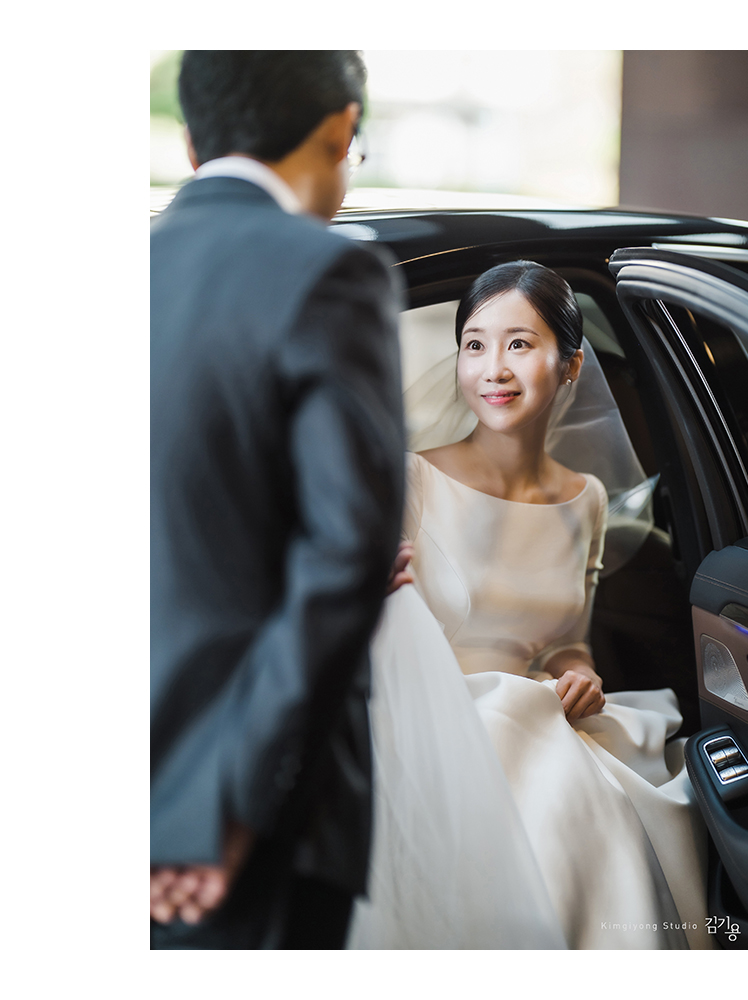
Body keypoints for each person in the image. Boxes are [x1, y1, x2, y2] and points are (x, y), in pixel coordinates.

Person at [347, 261, 713, 950]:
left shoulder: (587, 500)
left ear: (570, 366)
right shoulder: (408, 480)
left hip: (541, 721)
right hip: (428, 726)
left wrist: (582, 675)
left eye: (519, 344)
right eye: (475, 345)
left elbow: (565, 642)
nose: (494, 369)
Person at [150, 51, 406, 949]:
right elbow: (348, 550)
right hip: (245, 820)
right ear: (341, 128)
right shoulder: (326, 273)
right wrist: (229, 806)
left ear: (194, 141)